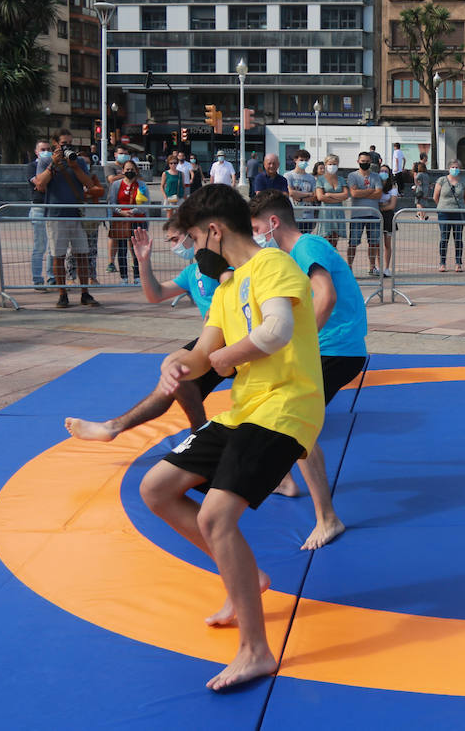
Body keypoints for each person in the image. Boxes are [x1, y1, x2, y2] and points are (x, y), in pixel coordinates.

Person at [134, 184, 324, 691]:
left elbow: (276, 333)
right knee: (155, 489)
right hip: (246, 411)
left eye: (195, 236)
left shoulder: (274, 267)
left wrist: (223, 359)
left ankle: (256, 651)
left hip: (287, 408)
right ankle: (249, 580)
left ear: (214, 231)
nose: (193, 246)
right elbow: (204, 353)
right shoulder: (225, 288)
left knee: (216, 515)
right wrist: (178, 363)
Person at [252, 191, 368, 550]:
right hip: (331, 348)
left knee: (297, 422)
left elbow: (326, 296)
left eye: (256, 228)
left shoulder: (307, 247)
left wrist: (297, 341)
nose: (255, 236)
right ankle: (285, 479)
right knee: (274, 407)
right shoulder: (295, 254)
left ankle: (328, 518)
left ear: (273, 223)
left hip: (337, 349)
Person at [65, 218, 227, 447]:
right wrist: (143, 261)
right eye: (170, 241)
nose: (174, 246)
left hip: (232, 337)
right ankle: (197, 432)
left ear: (192, 234)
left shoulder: (221, 264)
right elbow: (156, 294)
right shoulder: (192, 272)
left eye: (175, 239)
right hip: (212, 341)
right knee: (174, 376)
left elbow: (234, 284)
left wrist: (222, 302)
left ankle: (116, 427)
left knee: (175, 371)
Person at [33, 129, 101, 309]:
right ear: (55, 144)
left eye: (71, 143)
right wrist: (53, 165)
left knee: (82, 254)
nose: (68, 147)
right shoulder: (46, 161)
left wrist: (75, 167)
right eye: (64, 144)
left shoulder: (78, 161)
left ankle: (85, 293)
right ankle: (62, 294)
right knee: (58, 255)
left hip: (76, 214)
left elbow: (89, 184)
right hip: (56, 215)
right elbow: (39, 184)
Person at [107, 159, 149, 283]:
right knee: (122, 249)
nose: (130, 171)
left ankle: (137, 276)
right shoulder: (116, 185)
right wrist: (121, 212)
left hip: (137, 219)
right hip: (120, 220)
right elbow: (111, 202)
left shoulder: (142, 185)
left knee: (136, 249)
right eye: (127, 169)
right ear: (123, 171)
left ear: (136, 171)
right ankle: (124, 277)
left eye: (132, 169)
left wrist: (133, 211)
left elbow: (146, 203)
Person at [345, 151, 384, 276]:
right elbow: (354, 194)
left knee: (374, 242)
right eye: (363, 162)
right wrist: (370, 191)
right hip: (357, 214)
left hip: (374, 213)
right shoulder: (352, 176)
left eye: (367, 162)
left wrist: (363, 191)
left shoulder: (376, 176)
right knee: (353, 242)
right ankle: (349, 267)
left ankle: (372, 267)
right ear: (358, 162)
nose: (365, 164)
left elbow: (379, 193)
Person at [433, 158, 465, 272]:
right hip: (444, 212)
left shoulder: (463, 181)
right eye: (453, 167)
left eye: (457, 167)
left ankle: (458, 263)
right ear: (449, 168)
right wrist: (442, 206)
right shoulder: (442, 180)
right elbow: (435, 196)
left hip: (458, 212)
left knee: (458, 238)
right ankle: (442, 262)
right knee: (444, 238)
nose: (455, 169)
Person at [27, 139, 53, 289]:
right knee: (40, 245)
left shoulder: (55, 166)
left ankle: (52, 277)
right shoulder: (32, 166)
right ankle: (37, 278)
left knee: (53, 246)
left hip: (52, 207)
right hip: (38, 208)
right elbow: (39, 184)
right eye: (43, 149)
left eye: (48, 149)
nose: (46, 152)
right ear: (36, 151)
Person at [314, 154, 348, 249]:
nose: (332, 166)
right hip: (326, 212)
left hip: (338, 211)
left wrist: (330, 195)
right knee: (325, 240)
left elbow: (346, 195)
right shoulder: (320, 179)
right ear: (325, 164)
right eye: (330, 164)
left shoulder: (341, 179)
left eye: (335, 164)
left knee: (334, 239)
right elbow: (320, 197)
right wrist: (338, 197)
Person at [285, 150, 318, 233]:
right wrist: (308, 194)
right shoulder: (288, 175)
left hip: (308, 215)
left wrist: (301, 198)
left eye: (306, 160)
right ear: (295, 160)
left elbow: (315, 196)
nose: (304, 162)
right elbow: (291, 192)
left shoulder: (311, 178)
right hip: (294, 214)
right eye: (301, 160)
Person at [377, 162, 399, 273]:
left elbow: (392, 205)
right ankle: (378, 266)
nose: (383, 173)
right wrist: (383, 205)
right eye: (381, 171)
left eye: (385, 171)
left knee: (387, 244)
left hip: (388, 217)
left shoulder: (393, 187)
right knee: (376, 243)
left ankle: (386, 267)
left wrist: (381, 206)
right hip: (376, 216)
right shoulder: (376, 184)